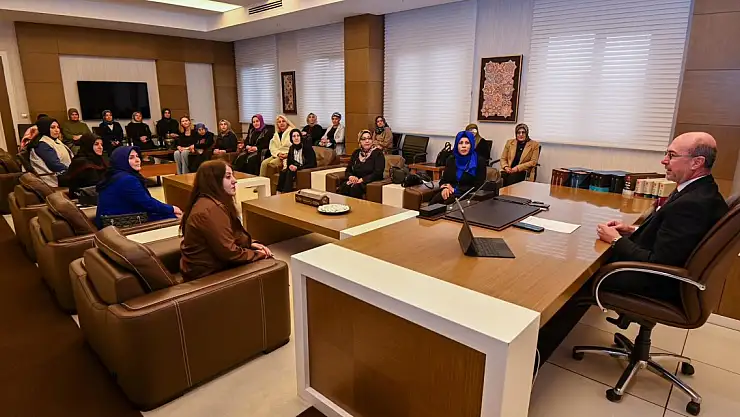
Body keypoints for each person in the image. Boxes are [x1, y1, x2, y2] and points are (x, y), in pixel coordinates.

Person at [596, 132, 728, 305]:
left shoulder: (692, 204)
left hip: (655, 282)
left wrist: (616, 240)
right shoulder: (699, 190)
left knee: (585, 272)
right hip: (661, 274)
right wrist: (633, 230)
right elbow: (674, 237)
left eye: (671, 155)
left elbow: (658, 262)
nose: (664, 161)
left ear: (697, 162)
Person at [179, 160, 272, 281]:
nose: (235, 180)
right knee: (269, 261)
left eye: (233, 175)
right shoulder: (211, 210)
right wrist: (258, 255)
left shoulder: (210, 201)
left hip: (207, 264)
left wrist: (250, 244)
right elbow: (229, 252)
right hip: (207, 272)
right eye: (228, 177)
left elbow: (230, 234)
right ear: (213, 181)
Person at [95, 146, 181, 228]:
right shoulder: (127, 179)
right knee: (176, 216)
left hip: (112, 218)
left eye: (137, 156)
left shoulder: (114, 174)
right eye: (131, 158)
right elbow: (148, 204)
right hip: (118, 221)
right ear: (121, 161)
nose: (137, 160)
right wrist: (172, 208)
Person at [429, 130, 487, 205]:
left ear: (471, 145)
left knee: (447, 204)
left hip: (466, 196)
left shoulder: (479, 161)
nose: (463, 146)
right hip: (449, 192)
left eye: (467, 143)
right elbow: (443, 180)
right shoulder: (451, 159)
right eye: (460, 143)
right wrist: (445, 188)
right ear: (457, 145)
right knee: (432, 205)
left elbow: (479, 186)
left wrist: (455, 190)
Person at [339, 130, 384, 198]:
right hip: (356, 180)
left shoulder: (378, 153)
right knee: (345, 185)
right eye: (364, 139)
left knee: (355, 188)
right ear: (360, 141)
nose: (367, 141)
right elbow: (348, 169)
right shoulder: (356, 153)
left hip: (369, 181)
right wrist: (351, 177)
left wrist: (362, 180)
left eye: (369, 138)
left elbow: (378, 173)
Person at [29, 117, 73, 187]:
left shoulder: (54, 140)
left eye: (58, 127)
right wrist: (74, 171)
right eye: (53, 127)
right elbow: (55, 165)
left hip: (64, 172)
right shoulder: (42, 145)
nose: (57, 130)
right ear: (45, 128)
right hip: (55, 177)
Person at [60, 133, 108, 198]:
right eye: (96, 144)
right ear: (88, 145)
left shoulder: (99, 159)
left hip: (98, 194)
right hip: (84, 198)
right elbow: (93, 185)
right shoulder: (81, 162)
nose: (100, 147)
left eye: (101, 144)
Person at [277, 128, 317, 193]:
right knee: (283, 172)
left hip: (304, 168)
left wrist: (298, 168)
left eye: (298, 136)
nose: (296, 138)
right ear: (291, 139)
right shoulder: (291, 148)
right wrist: (290, 166)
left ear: (300, 137)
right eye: (294, 136)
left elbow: (312, 164)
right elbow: (289, 162)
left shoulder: (307, 148)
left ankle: (285, 193)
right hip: (295, 167)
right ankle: (278, 192)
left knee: (289, 172)